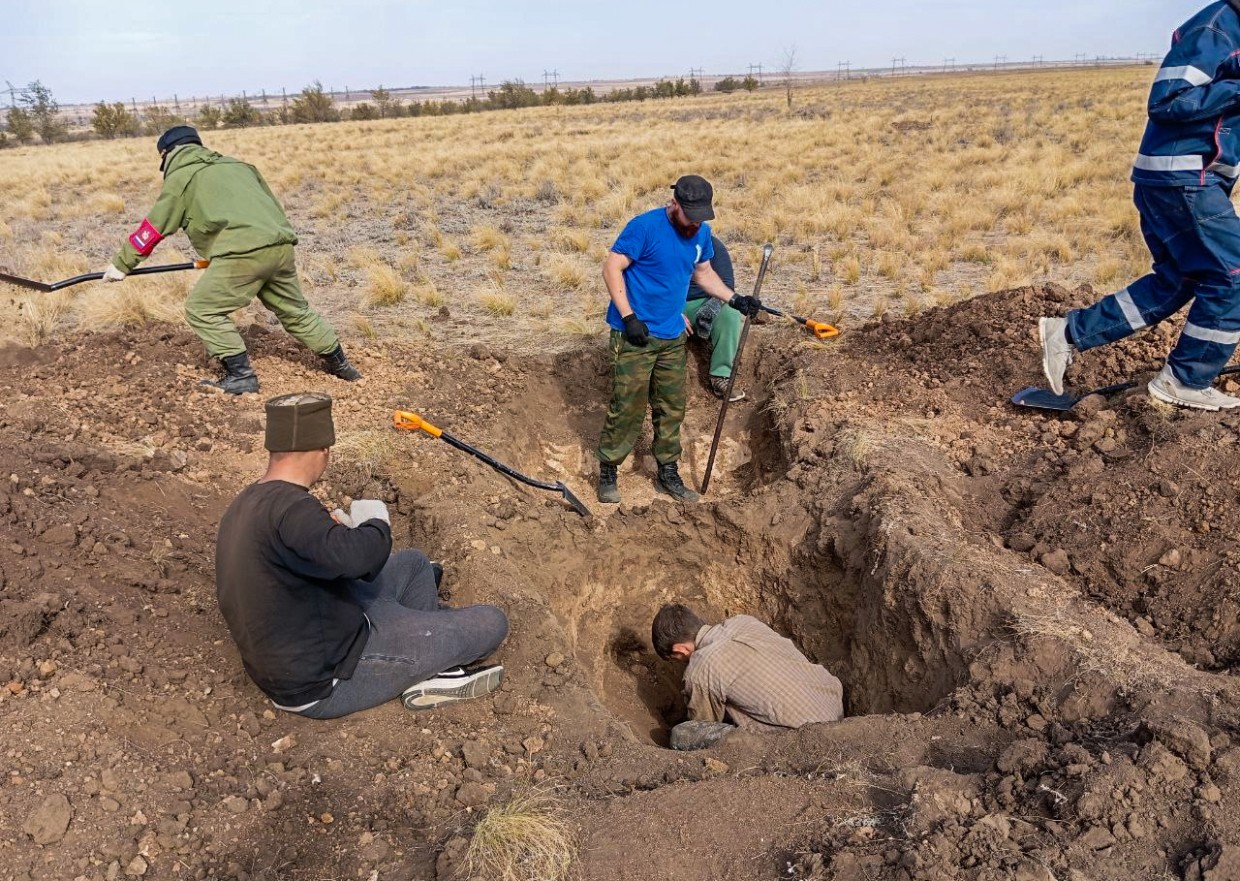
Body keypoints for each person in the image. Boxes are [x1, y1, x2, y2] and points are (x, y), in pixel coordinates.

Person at [215, 392, 509, 719]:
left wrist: (343, 532)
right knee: (492, 622)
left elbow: (321, 554)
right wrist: (375, 522)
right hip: (326, 677)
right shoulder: (294, 511)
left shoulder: (251, 500)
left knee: (414, 564)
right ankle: (430, 667)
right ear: (322, 450)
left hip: (309, 642)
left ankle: (425, 645)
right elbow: (361, 561)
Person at [1039, 1, 1240, 412]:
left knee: (1179, 278)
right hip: (1182, 178)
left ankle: (1068, 333)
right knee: (1234, 276)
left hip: (1183, 179)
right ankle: (1185, 380)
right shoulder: (1216, 30)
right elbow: (1169, 99)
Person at [101, 125, 361, 395]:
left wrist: (122, 265)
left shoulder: (182, 178)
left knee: (202, 309)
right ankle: (342, 366)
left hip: (241, 255)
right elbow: (271, 205)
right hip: (280, 246)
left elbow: (154, 228)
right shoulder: (241, 166)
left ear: (167, 154)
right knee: (296, 311)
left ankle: (241, 376)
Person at [597, 175, 761, 504]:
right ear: (674, 204)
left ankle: (668, 472)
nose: (695, 222)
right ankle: (608, 470)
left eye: (701, 216)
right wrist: (629, 318)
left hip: (671, 335)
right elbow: (611, 268)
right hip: (636, 335)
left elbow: (703, 274)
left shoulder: (701, 233)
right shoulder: (644, 227)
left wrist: (734, 299)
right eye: (690, 214)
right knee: (627, 406)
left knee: (671, 407)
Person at [652, 603, 844, 750]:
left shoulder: (700, 668)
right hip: (834, 711)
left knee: (681, 734)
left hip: (802, 737)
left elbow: (702, 725)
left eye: (676, 660)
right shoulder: (744, 622)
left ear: (680, 650)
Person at [684, 235, 748, 402]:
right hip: (668, 303)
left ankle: (720, 376)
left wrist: (711, 308)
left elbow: (726, 284)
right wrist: (671, 312)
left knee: (731, 312)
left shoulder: (713, 246)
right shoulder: (662, 243)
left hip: (701, 303)